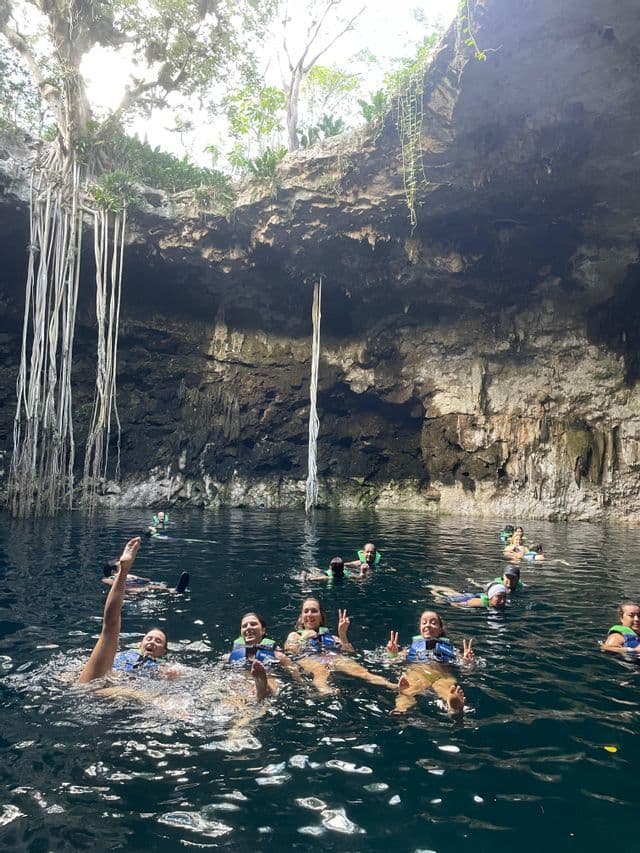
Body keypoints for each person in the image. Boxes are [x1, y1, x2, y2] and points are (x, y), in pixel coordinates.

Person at [79, 537, 182, 684]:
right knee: (110, 629)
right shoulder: (123, 654)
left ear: (163, 651)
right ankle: (124, 570)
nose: (152, 642)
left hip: (118, 690)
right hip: (102, 681)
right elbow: (110, 625)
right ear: (140, 644)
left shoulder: (163, 667)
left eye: (158, 641)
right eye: (149, 638)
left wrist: (173, 676)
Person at [284, 598, 396, 695]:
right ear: (301, 617)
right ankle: (324, 690)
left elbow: (350, 653)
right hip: (308, 658)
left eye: (314, 611)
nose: (309, 614)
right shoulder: (295, 635)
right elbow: (290, 651)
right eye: (306, 611)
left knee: (360, 671)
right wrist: (304, 638)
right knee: (321, 671)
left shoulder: (333, 638)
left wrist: (342, 634)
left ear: (321, 617)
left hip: (331, 658)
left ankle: (390, 685)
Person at [386, 610, 474, 715]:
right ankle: (400, 710)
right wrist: (393, 654)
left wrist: (467, 661)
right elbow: (394, 661)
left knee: (446, 688)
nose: (427, 625)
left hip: (442, 675)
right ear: (420, 628)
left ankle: (454, 705)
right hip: (419, 672)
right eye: (424, 623)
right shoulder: (410, 649)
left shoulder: (451, 650)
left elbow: (465, 668)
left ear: (440, 629)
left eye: (433, 623)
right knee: (408, 688)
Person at [228, 611, 300, 700]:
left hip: (268, 678)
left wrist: (302, 684)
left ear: (263, 630)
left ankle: (261, 686)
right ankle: (259, 686)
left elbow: (295, 673)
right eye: (244, 626)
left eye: (253, 624)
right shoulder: (229, 656)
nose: (248, 627)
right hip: (242, 680)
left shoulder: (278, 656)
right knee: (236, 686)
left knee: (271, 682)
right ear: (241, 632)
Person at [102, 558, 189, 594]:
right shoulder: (110, 579)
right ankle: (173, 590)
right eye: (121, 566)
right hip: (129, 594)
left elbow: (146, 581)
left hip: (139, 589)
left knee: (154, 586)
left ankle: (174, 590)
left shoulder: (127, 576)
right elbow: (111, 583)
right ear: (113, 572)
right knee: (147, 589)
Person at [428, 582, 508, 609]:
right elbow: (455, 604)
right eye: (498, 596)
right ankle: (433, 591)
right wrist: (466, 609)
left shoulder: (504, 603)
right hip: (469, 599)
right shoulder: (479, 603)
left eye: (504, 597)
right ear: (490, 597)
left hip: (474, 596)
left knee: (456, 593)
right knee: (441, 599)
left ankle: (435, 587)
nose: (502, 600)